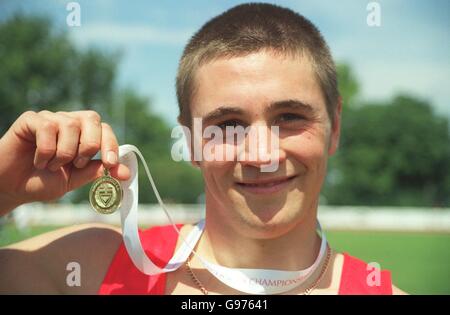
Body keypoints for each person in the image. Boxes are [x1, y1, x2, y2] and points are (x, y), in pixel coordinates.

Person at [0, 3, 406, 295]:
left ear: (334, 127)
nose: (260, 155)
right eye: (228, 125)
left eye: (289, 117)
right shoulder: (94, 267)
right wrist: (2, 190)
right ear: (191, 142)